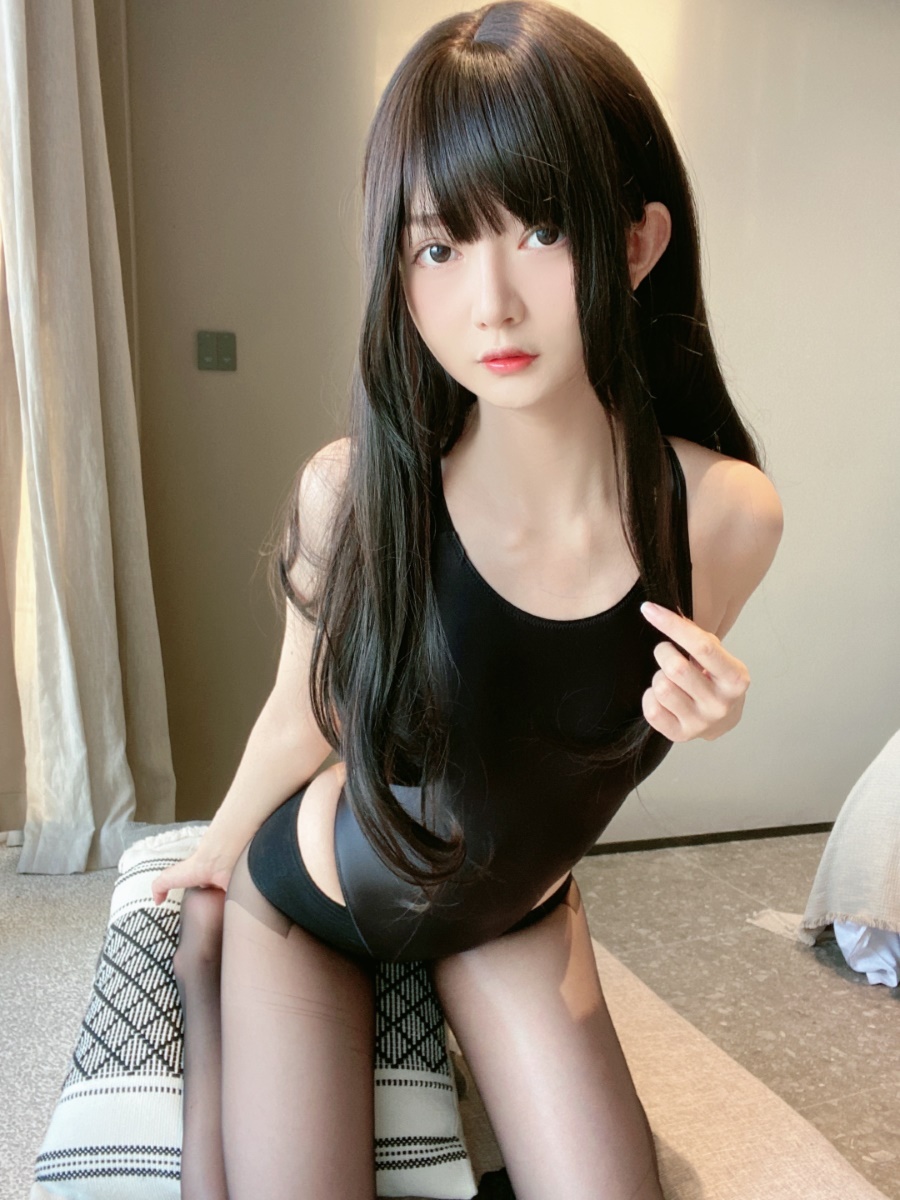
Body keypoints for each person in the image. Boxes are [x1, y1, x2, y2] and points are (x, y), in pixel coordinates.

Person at [151, 3, 783, 1197]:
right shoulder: (353, 496)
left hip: (514, 911)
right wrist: (217, 855)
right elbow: (301, 715)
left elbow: (567, 747)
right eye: (438, 248)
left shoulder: (725, 517)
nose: (491, 302)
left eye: (541, 230)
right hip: (320, 899)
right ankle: (212, 964)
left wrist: (714, 716)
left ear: (637, 242)